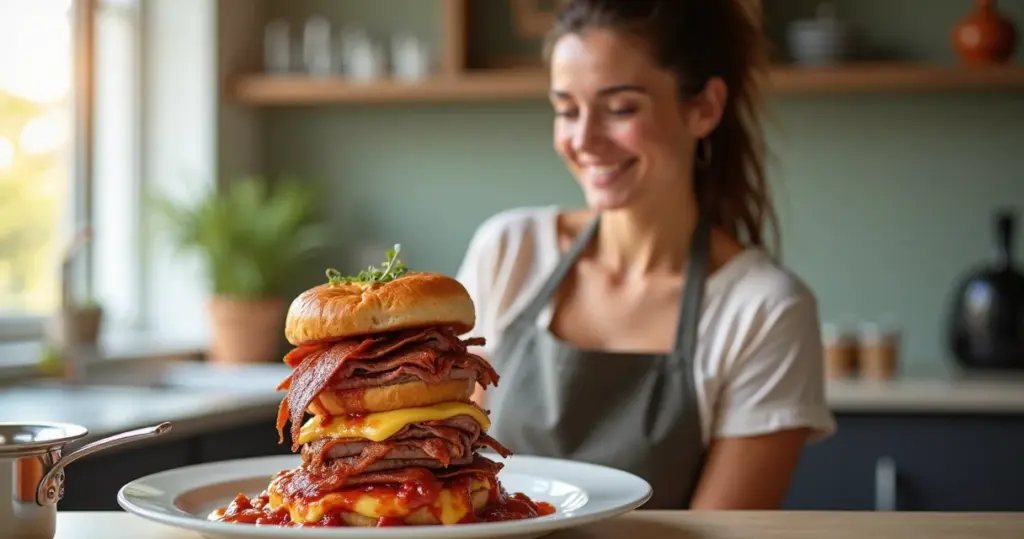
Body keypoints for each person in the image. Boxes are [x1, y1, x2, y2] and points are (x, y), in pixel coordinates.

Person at [455, 0, 836, 510]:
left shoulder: (765, 312)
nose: (583, 140)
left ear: (704, 108)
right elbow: (450, 462)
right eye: (566, 110)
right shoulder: (508, 251)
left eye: (620, 109)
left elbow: (721, 533)